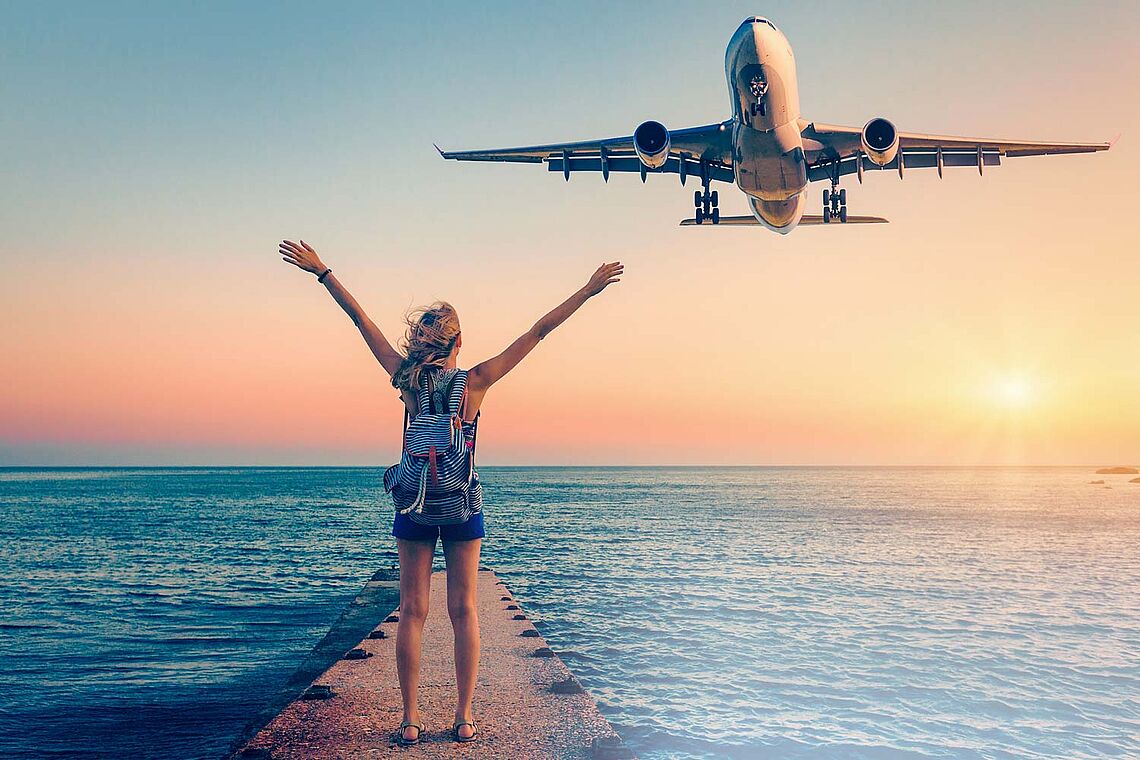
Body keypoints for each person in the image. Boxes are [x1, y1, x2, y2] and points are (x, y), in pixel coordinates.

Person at [278, 239, 623, 745]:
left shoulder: (405, 380)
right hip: (462, 505)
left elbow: (360, 321)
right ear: (458, 342)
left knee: (412, 610)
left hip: (414, 506)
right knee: (464, 611)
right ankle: (463, 719)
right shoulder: (476, 381)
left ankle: (411, 721)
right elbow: (539, 332)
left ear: (420, 343)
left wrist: (323, 272)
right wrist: (589, 290)